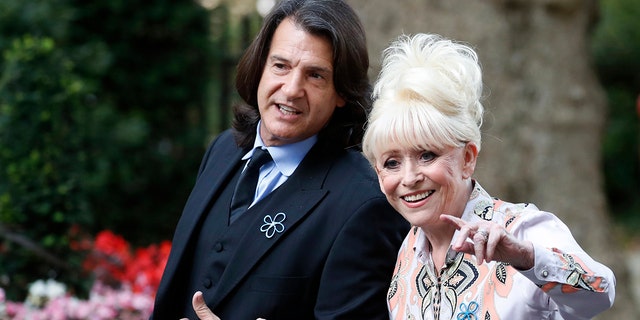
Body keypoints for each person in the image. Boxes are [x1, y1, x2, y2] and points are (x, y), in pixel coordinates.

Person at [150, 0, 409, 319]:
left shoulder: (365, 203)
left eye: (315, 75)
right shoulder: (222, 150)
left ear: (342, 92)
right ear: (260, 66)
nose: (291, 89)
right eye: (281, 66)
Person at [361, 33, 616, 319]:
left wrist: (526, 258)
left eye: (427, 155)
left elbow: (601, 293)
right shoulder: (408, 251)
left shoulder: (522, 229)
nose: (409, 177)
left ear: (468, 158)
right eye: (392, 163)